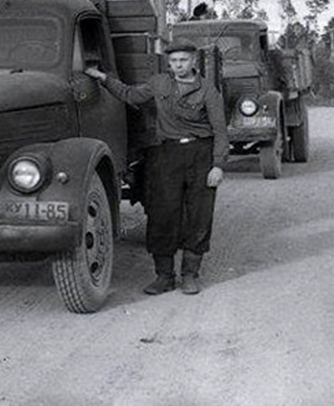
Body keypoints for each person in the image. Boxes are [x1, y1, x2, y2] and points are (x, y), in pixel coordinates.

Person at [84, 38, 227, 295]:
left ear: (193, 61)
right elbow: (130, 94)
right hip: (167, 154)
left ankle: (190, 274)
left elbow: (220, 129)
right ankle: (164, 276)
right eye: (173, 61)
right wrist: (103, 78)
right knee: (163, 213)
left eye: (183, 60)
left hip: (200, 154)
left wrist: (218, 165)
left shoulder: (208, 90)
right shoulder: (160, 82)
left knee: (199, 215)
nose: (178, 65)